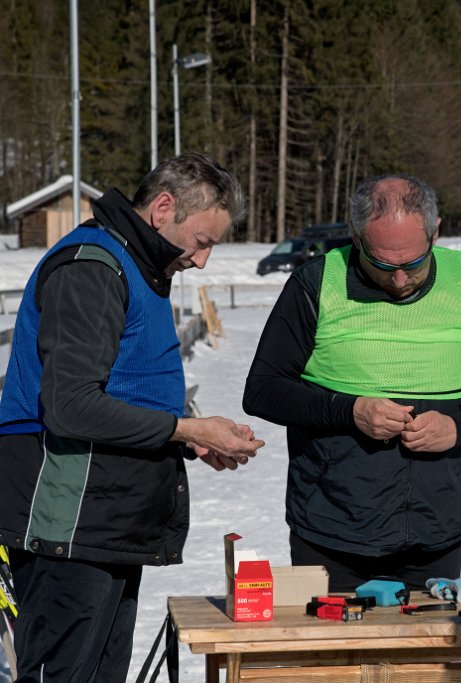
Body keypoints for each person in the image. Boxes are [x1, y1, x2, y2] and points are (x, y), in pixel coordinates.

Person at [0, 152, 265, 683]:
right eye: (203, 241)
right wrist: (185, 429)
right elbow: (71, 404)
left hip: (107, 519)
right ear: (163, 208)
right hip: (66, 523)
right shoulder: (92, 268)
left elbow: (128, 386)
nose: (202, 260)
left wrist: (186, 440)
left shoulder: (137, 266)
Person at [243, 174, 461, 591]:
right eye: (383, 264)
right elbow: (263, 390)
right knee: (335, 658)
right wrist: (350, 410)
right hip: (331, 535)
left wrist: (460, 427)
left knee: (423, 658)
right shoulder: (315, 283)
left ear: (435, 232)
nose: (399, 280)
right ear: (356, 238)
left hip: (436, 535)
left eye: (413, 263)